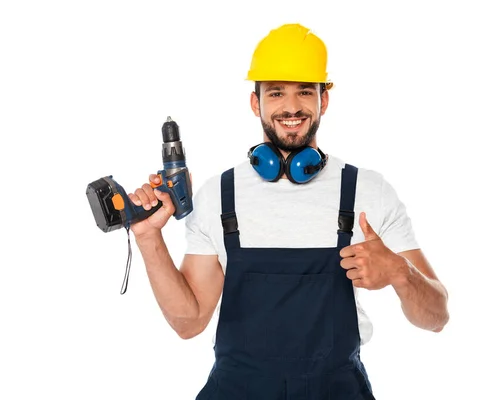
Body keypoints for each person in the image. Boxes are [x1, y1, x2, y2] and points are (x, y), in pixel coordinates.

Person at [126, 23, 449, 399]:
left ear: (323, 101)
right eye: (276, 92)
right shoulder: (220, 195)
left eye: (304, 92)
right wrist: (149, 237)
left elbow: (437, 317)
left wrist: (399, 271)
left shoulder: (367, 191)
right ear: (255, 102)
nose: (291, 107)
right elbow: (188, 322)